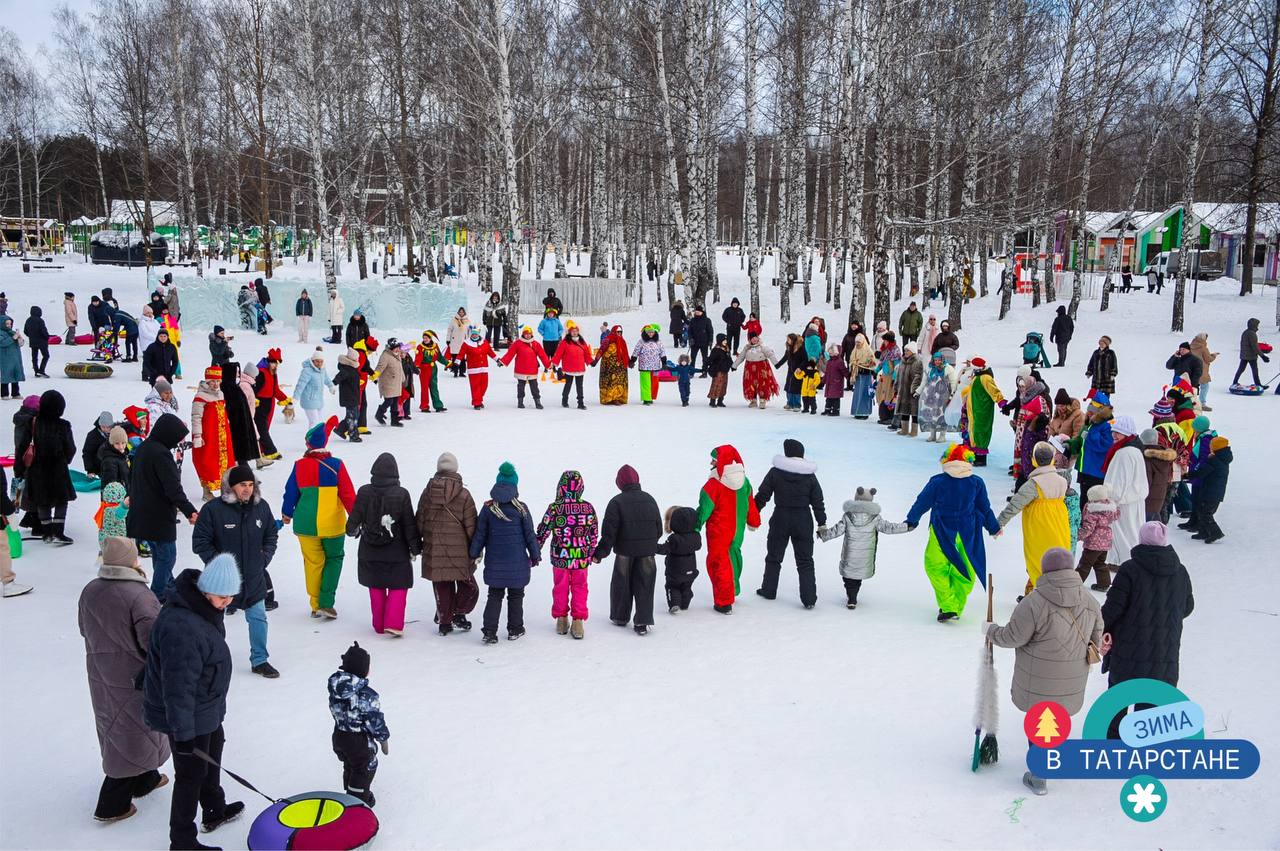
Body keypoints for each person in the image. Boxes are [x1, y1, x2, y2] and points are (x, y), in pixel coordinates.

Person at [142, 555, 244, 850]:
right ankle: (182, 840)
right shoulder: (183, 627)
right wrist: (183, 734)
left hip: (205, 706)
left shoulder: (201, 608)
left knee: (214, 750)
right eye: (222, 597)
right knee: (190, 773)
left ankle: (214, 808)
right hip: (187, 713)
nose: (227, 602)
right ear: (206, 590)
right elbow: (178, 686)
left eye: (231, 597)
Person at [984, 547, 1103, 796]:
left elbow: (1012, 637)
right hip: (1072, 679)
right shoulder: (1090, 601)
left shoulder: (1034, 602)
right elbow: (1096, 639)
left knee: (1041, 724)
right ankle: (1049, 761)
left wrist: (990, 630)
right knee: (1054, 721)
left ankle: (1039, 775)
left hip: (1037, 680)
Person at [78, 537, 171, 823]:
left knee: (120, 726)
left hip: (101, 670)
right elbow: (152, 640)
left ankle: (146, 778)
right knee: (134, 729)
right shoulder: (138, 594)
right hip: (135, 675)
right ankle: (112, 804)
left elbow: (83, 628)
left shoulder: (90, 590)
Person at [192, 463, 279, 677]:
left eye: (250, 484)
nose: (247, 489)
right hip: (221, 583)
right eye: (242, 485)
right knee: (213, 622)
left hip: (253, 577)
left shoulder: (262, 507)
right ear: (231, 486)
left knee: (258, 618)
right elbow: (200, 542)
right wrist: (219, 566)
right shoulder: (213, 510)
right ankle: (213, 661)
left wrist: (263, 558)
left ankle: (260, 660)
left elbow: (271, 535)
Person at [905, 444, 1002, 621]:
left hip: (941, 530)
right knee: (966, 569)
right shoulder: (976, 482)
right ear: (968, 460)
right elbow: (984, 507)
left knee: (934, 565)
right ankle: (955, 605)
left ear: (947, 460)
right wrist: (993, 527)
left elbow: (922, 502)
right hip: (968, 531)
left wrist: (912, 519)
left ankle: (948, 605)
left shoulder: (938, 481)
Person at [1101, 520, 1193, 692]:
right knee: (1150, 713)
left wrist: (1102, 628)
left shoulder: (1130, 569)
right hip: (1164, 654)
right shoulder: (1180, 571)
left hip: (1129, 652)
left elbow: (1113, 608)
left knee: (1117, 705)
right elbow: (1187, 607)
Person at [282, 418, 355, 618]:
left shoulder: (299, 466)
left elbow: (290, 492)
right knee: (334, 559)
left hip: (306, 525)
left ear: (308, 444)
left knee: (313, 563)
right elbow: (348, 494)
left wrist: (287, 513)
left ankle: (315, 605)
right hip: (332, 525)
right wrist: (356, 518)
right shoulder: (337, 465)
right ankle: (326, 602)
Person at [347, 453, 422, 637]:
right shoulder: (401, 494)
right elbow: (408, 524)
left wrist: (354, 531)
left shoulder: (364, 492)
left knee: (376, 586)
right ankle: (393, 623)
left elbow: (352, 524)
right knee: (398, 586)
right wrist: (415, 548)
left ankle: (379, 625)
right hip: (397, 551)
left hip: (369, 550)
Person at [469, 462, 540, 644]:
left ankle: (490, 631)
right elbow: (530, 534)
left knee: (495, 595)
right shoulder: (521, 508)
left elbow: (480, 534)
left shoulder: (488, 508)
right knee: (516, 595)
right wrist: (535, 554)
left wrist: (473, 553)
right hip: (518, 564)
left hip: (495, 563)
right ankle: (515, 629)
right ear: (515, 486)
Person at [754, 439, 825, 608]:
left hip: (781, 517)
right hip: (803, 519)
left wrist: (753, 513)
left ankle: (769, 590)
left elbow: (763, 495)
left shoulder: (775, 472)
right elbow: (818, 500)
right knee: (805, 560)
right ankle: (809, 599)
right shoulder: (810, 476)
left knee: (774, 557)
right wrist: (821, 522)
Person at [593, 464, 662, 634]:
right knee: (645, 586)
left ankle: (620, 617)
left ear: (620, 482)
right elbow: (659, 528)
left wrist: (599, 554)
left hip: (624, 552)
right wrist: (649, 543)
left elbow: (609, 533)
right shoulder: (650, 499)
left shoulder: (616, 502)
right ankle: (642, 622)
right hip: (647, 553)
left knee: (621, 585)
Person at [417, 452, 479, 635]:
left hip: (434, 549)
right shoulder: (464, 494)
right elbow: (471, 524)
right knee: (470, 586)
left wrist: (419, 541)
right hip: (460, 551)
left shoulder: (427, 493)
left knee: (442, 587)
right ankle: (459, 613)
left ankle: (445, 622)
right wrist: (475, 548)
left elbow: (420, 520)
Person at [818, 486, 910, 609]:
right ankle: (853, 597)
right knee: (857, 576)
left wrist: (823, 534)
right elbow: (889, 528)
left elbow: (836, 530)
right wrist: (906, 527)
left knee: (849, 576)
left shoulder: (848, 516)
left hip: (850, 553)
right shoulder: (875, 517)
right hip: (865, 556)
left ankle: (851, 597)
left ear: (857, 497)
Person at [997, 442, 1071, 596]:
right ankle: (1046, 592)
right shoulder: (1062, 481)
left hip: (1040, 527)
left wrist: (999, 523)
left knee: (1037, 560)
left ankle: (1041, 595)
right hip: (1059, 525)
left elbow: (1015, 505)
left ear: (1034, 461)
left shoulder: (1034, 484)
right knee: (1057, 559)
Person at [696, 445, 761, 614]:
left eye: (714, 460)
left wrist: (694, 526)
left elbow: (703, 509)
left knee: (719, 563)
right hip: (737, 532)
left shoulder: (713, 485)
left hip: (719, 532)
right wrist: (753, 521)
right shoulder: (745, 482)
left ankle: (724, 602)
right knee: (734, 557)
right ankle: (732, 589)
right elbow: (750, 504)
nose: (711, 462)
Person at [535, 470, 599, 639]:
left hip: (560, 557)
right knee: (580, 587)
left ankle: (562, 620)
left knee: (560, 587)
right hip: (581, 558)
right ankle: (578, 622)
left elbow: (543, 531)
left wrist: (535, 549)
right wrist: (591, 551)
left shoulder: (554, 508)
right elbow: (594, 533)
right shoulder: (588, 508)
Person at [328, 642, 390, 807]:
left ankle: (350, 792)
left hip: (339, 735)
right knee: (364, 768)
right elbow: (374, 719)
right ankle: (357, 801)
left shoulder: (336, 688)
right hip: (358, 740)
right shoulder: (366, 695)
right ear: (365, 670)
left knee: (350, 764)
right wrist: (383, 738)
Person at [17, 390, 76, 545]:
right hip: (58, 469)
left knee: (42, 501)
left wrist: (20, 469)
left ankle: (47, 532)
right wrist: (65, 460)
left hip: (37, 469)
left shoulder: (33, 423)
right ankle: (58, 531)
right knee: (61, 500)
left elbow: (22, 446)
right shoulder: (63, 425)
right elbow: (70, 448)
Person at [1102, 415, 1148, 569]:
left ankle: (1125, 562)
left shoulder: (1124, 453)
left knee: (1124, 533)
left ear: (1127, 434)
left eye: (1118, 432)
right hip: (1133, 499)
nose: (1114, 435)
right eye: (1113, 431)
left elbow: (1120, 480)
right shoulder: (1134, 450)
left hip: (1123, 502)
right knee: (1133, 531)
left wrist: (1111, 499)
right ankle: (1128, 560)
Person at [960, 357, 1003, 466]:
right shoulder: (977, 376)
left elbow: (994, 391)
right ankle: (976, 455)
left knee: (981, 431)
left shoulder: (985, 378)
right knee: (974, 431)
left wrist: (1001, 401)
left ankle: (981, 458)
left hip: (982, 410)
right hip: (975, 410)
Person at [1188, 435, 1231, 543]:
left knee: (1205, 513)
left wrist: (1188, 475)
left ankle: (1216, 532)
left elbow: (1202, 472)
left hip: (1211, 492)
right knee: (1201, 510)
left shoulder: (1214, 460)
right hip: (1215, 491)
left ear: (1215, 448)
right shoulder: (1222, 458)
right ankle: (1204, 532)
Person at [658, 506, 701, 614]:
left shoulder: (674, 539)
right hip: (691, 571)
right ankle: (685, 603)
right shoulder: (696, 536)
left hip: (675, 571)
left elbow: (665, 549)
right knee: (686, 587)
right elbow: (698, 546)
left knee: (672, 586)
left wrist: (653, 547)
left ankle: (674, 603)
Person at [1076, 484, 1119, 590]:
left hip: (1093, 544)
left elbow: (1088, 529)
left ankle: (1075, 583)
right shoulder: (1110, 509)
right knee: (1100, 563)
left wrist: (1078, 536)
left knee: (1084, 564)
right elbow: (1117, 515)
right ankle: (1104, 584)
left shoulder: (1093, 513)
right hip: (1106, 543)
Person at [221, 363, 261, 470]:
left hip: (241, 424)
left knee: (241, 456)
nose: (239, 376)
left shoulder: (235, 387)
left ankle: (247, 474)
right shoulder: (228, 389)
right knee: (239, 455)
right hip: (235, 426)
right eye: (237, 374)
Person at [502, 326, 551, 409]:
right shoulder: (517, 343)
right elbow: (510, 353)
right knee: (521, 387)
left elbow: (542, 355)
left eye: (529, 334)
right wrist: (503, 361)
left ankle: (537, 402)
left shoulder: (536, 344)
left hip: (532, 369)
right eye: (526, 334)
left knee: (534, 387)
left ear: (531, 334)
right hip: (521, 369)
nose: (527, 336)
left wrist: (548, 364)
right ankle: (520, 402)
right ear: (523, 334)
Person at [253, 349, 288, 460]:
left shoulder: (273, 374)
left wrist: (285, 399)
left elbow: (275, 389)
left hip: (269, 404)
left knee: (264, 428)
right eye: (273, 363)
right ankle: (270, 452)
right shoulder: (260, 373)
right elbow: (254, 389)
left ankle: (262, 450)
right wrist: (254, 399)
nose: (275, 366)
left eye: (276, 364)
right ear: (269, 362)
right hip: (259, 404)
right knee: (262, 428)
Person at [918, 348, 957, 442]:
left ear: (942, 359)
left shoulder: (948, 368)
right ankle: (933, 434)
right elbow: (924, 381)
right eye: (935, 360)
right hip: (930, 396)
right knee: (931, 414)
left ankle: (942, 435)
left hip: (943, 396)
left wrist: (953, 394)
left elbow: (953, 382)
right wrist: (918, 391)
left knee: (941, 414)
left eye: (939, 360)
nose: (937, 362)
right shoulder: (929, 368)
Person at [551, 321, 593, 409]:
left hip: (580, 368)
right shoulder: (565, 342)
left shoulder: (582, 341)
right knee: (568, 385)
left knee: (579, 386)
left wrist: (590, 361)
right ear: (569, 332)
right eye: (572, 331)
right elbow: (559, 353)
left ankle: (580, 403)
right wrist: (555, 363)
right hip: (569, 368)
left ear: (578, 331)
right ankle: (564, 400)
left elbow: (586, 353)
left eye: (576, 331)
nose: (574, 332)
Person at [733, 332, 778, 408]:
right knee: (751, 383)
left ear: (758, 338)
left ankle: (762, 400)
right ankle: (753, 400)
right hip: (750, 369)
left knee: (762, 383)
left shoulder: (762, 347)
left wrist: (776, 364)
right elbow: (741, 357)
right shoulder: (747, 348)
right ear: (750, 340)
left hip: (762, 368)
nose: (754, 339)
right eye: (752, 338)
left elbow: (770, 354)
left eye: (755, 337)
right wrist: (734, 366)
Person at [1140, 428, 1177, 522]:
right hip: (1158, 499)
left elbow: (1146, 483)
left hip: (1147, 501)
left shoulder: (1147, 459)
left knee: (1146, 530)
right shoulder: (1164, 457)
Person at [294, 348, 335, 429]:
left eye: (321, 361)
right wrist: (295, 398)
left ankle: (314, 439)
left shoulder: (322, 369)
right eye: (317, 361)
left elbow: (326, 378)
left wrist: (331, 386)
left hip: (319, 400)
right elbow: (300, 385)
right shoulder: (307, 371)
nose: (319, 363)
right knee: (314, 422)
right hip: (309, 400)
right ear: (312, 361)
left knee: (318, 422)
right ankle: (311, 440)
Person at [593, 325, 630, 405]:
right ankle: (610, 398)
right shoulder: (608, 340)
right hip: (609, 366)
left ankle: (618, 398)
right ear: (614, 332)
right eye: (617, 332)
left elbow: (625, 353)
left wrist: (629, 361)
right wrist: (596, 360)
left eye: (620, 332)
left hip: (620, 366)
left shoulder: (622, 341)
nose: (619, 334)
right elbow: (601, 350)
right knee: (611, 381)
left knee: (619, 381)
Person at [374, 337, 406, 426]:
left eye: (398, 347)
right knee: (389, 401)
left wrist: (403, 378)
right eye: (396, 348)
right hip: (387, 383)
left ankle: (394, 421)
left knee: (395, 402)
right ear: (391, 348)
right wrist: (374, 376)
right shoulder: (385, 356)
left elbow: (400, 368)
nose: (398, 349)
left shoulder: (397, 355)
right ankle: (379, 414)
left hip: (395, 383)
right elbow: (380, 367)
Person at [631, 324, 666, 405]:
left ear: (655, 332)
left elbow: (662, 352)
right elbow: (636, 351)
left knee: (655, 383)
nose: (650, 334)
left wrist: (664, 363)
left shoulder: (658, 342)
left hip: (655, 366)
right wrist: (632, 361)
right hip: (644, 366)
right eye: (649, 332)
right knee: (645, 382)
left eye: (652, 332)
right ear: (645, 333)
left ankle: (652, 396)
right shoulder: (641, 341)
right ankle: (646, 399)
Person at [894, 343, 924, 435]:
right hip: (903, 390)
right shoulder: (902, 361)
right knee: (904, 410)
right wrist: (896, 386)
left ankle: (914, 431)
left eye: (908, 350)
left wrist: (914, 389)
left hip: (911, 391)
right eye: (905, 350)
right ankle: (904, 429)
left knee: (914, 411)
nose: (906, 352)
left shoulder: (917, 362)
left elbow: (918, 376)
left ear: (913, 352)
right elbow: (899, 375)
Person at [413, 331, 447, 413]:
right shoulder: (420, 347)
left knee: (434, 388)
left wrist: (447, 363)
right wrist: (417, 367)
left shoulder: (435, 346)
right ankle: (424, 406)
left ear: (430, 338)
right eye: (424, 338)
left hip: (433, 369)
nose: (425, 339)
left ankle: (438, 406)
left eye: (426, 338)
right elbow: (418, 358)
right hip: (424, 369)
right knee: (424, 388)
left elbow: (439, 357)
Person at [1232, 317, 1266, 387]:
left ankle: (1234, 382)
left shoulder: (1245, 332)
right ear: (1254, 326)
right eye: (1257, 325)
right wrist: (1262, 356)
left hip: (1244, 355)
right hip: (1251, 356)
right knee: (1255, 370)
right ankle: (1258, 384)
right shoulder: (1252, 334)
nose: (1257, 327)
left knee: (1241, 369)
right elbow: (1255, 347)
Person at [98, 426, 132, 492]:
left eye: (123, 443)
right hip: (115, 498)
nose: (121, 446)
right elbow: (110, 485)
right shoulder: (109, 461)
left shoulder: (122, 455)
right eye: (117, 443)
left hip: (124, 495)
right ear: (112, 443)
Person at [1189, 332, 1218, 410]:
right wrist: (1214, 355)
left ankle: (1190, 402)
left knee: (1192, 387)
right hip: (1201, 369)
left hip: (1191, 369)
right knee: (1205, 386)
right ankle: (1202, 403)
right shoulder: (1203, 348)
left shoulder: (1191, 346)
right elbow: (1208, 358)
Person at [82, 411, 116, 477]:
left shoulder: (115, 432)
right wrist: (90, 470)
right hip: (99, 469)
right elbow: (87, 453)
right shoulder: (92, 435)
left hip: (114, 467)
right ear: (99, 424)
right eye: (103, 427)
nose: (106, 429)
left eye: (108, 427)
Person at [821, 343, 849, 416]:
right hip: (829, 382)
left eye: (831, 353)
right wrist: (822, 382)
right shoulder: (829, 362)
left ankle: (836, 411)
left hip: (837, 382)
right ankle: (827, 409)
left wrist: (848, 377)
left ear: (835, 353)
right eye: (829, 353)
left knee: (835, 398)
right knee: (829, 397)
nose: (830, 355)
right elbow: (827, 373)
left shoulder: (839, 362)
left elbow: (844, 370)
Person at [0, 316, 25, 398]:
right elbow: (3, 343)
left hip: (15, 358)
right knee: (6, 376)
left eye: (10, 324)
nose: (9, 325)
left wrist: (20, 339)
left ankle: (15, 393)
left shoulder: (12, 332)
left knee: (15, 375)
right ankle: (4, 393)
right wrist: (13, 338)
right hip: (5, 358)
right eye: (7, 324)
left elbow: (20, 344)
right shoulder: (1, 333)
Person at [706, 336, 733, 408]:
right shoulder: (716, 350)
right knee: (716, 385)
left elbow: (729, 358)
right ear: (719, 341)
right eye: (724, 340)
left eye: (726, 340)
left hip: (725, 370)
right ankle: (712, 401)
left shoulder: (726, 349)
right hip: (718, 370)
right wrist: (706, 363)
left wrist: (732, 365)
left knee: (723, 386)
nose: (725, 342)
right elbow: (711, 359)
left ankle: (720, 401)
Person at [22, 306, 49, 378]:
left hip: (33, 341)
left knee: (34, 357)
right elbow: (43, 331)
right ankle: (41, 370)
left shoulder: (28, 320)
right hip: (42, 341)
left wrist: (31, 336)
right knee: (46, 355)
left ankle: (36, 371)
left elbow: (25, 331)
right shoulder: (40, 320)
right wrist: (47, 337)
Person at [537, 308, 565, 378]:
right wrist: (543, 334)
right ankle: (546, 367)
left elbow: (561, 329)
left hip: (555, 340)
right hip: (546, 340)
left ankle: (554, 367)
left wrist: (558, 334)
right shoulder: (544, 321)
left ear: (554, 314)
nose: (550, 314)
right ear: (547, 314)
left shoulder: (557, 321)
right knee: (546, 354)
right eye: (549, 313)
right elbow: (539, 329)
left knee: (554, 355)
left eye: (552, 313)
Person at [687, 306, 714, 375]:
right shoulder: (692, 320)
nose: (697, 313)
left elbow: (710, 331)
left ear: (702, 312)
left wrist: (710, 341)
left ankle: (704, 371)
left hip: (704, 342)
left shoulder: (707, 320)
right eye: (696, 312)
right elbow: (689, 331)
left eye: (699, 312)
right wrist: (691, 339)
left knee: (705, 358)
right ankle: (691, 372)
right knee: (692, 358)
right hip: (694, 343)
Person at [444, 308, 468, 375]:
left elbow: (468, 332)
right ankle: (455, 371)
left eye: (462, 312)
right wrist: (448, 340)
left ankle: (461, 372)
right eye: (460, 312)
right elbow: (449, 330)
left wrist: (469, 340)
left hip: (463, 341)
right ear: (458, 312)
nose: (461, 313)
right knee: (455, 356)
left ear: (464, 313)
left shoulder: (467, 321)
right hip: (454, 341)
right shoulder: (453, 320)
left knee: (462, 357)